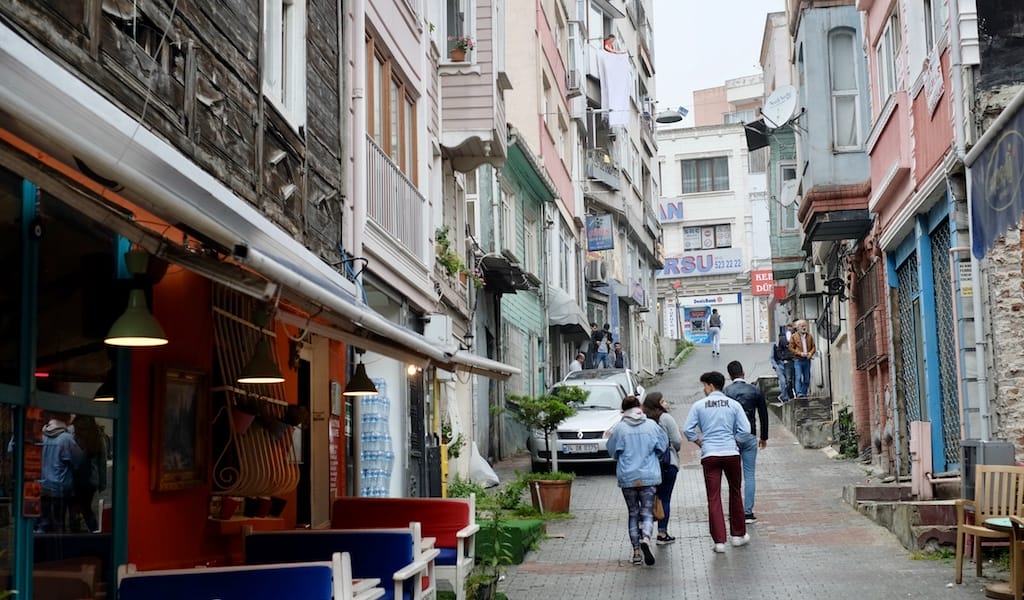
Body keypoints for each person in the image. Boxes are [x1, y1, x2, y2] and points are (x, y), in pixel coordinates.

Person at [683, 371, 750, 553]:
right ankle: (737, 535)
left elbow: (687, 429)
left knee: (713, 497)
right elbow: (745, 430)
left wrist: (700, 442)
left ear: (710, 386)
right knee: (735, 492)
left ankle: (719, 541)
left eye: (704, 386)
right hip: (731, 453)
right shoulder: (734, 405)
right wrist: (734, 441)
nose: (704, 389)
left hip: (710, 454)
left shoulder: (699, 406)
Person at [606, 396, 667, 566]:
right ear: (639, 407)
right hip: (649, 477)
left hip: (628, 477)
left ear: (623, 410)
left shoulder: (620, 428)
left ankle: (636, 553)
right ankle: (646, 539)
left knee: (633, 513)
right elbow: (662, 447)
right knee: (647, 512)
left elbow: (612, 451)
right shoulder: (652, 426)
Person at [723, 361, 768, 524]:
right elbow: (763, 415)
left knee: (733, 477)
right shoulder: (755, 390)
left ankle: (734, 511)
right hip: (749, 435)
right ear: (743, 372)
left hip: (731, 438)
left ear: (729, 375)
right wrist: (764, 437)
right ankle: (748, 512)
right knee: (749, 475)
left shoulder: (726, 392)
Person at [641, 393, 682, 544]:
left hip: (648, 464)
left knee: (648, 498)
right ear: (656, 404)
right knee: (665, 498)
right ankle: (662, 533)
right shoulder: (665, 418)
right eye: (662, 401)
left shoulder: (644, 419)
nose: (666, 403)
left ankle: (644, 532)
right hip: (667, 463)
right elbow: (677, 441)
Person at [39, 411, 82, 533]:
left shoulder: (41, 435)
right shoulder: (66, 439)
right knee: (59, 525)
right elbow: (78, 460)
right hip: (60, 488)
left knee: (43, 524)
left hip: (43, 486)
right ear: (66, 419)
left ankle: (42, 549)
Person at [68, 415, 107, 533]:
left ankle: (75, 531)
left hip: (75, 478)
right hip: (90, 480)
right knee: (86, 508)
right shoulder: (98, 438)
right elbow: (102, 463)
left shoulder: (73, 435)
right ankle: (94, 530)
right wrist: (102, 483)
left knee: (74, 508)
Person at [788, 319, 816, 398]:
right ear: (797, 327)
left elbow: (813, 347)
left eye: (805, 326)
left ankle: (803, 393)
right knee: (798, 377)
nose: (804, 327)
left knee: (807, 378)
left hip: (807, 360)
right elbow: (790, 348)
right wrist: (800, 353)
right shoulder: (794, 337)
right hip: (798, 360)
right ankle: (799, 393)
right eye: (802, 326)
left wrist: (810, 353)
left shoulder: (809, 336)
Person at [770, 324, 795, 402]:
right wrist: (775, 366)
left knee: (789, 381)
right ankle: (784, 396)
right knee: (783, 381)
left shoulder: (787, 343)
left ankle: (786, 396)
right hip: (779, 365)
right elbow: (772, 357)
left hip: (786, 364)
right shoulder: (775, 346)